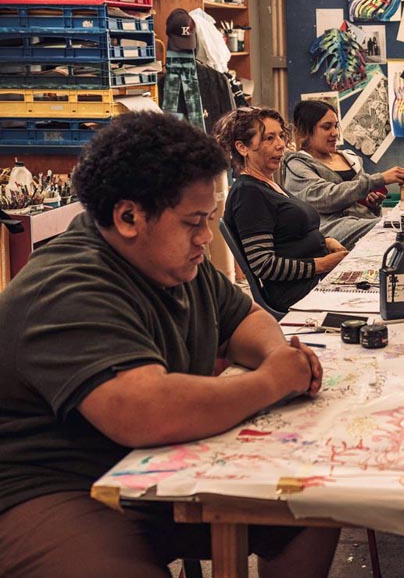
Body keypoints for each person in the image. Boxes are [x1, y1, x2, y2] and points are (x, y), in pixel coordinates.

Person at [0, 111, 340, 577]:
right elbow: (146, 412)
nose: (206, 237)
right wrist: (272, 380)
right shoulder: (68, 285)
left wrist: (276, 352)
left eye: (210, 219)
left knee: (310, 507)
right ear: (128, 217)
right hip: (51, 486)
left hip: (152, 466)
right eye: (194, 222)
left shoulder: (173, 263)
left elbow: (246, 318)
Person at [215, 106, 348, 313]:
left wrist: (326, 241)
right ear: (242, 147)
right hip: (299, 293)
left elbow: (290, 236)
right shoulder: (249, 193)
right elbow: (264, 264)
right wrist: (322, 264)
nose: (280, 145)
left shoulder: (269, 185)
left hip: (315, 281)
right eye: (269, 138)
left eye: (280, 136)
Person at [283, 99, 404, 250]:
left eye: (336, 126)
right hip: (332, 232)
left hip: (363, 224)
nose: (335, 133)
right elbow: (325, 197)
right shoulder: (297, 165)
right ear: (306, 131)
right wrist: (380, 179)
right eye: (326, 127)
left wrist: (371, 205)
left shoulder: (350, 158)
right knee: (398, 228)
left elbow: (355, 199)